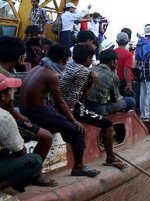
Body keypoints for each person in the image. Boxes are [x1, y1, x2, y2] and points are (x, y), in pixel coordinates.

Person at [20, 44, 100, 177]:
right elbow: (60, 102)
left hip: (30, 109)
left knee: (63, 124)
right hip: (38, 113)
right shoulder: (51, 75)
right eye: (67, 61)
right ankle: (78, 167)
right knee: (77, 131)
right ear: (62, 61)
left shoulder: (38, 68)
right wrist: (74, 121)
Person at [0, 36, 56, 187]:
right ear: (19, 57)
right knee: (46, 137)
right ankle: (35, 173)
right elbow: (9, 110)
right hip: (5, 117)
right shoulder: (6, 76)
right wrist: (23, 118)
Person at [62, 44, 127, 170]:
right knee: (107, 124)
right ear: (87, 59)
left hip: (68, 104)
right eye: (91, 58)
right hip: (71, 108)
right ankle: (110, 157)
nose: (92, 61)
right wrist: (73, 120)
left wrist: (92, 73)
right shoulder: (83, 72)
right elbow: (76, 100)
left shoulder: (70, 65)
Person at [0, 74, 44, 201]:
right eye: (9, 91)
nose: (11, 94)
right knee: (34, 161)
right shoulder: (4, 118)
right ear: (2, 96)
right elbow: (20, 151)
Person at [87, 49, 135, 116]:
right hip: (100, 109)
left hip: (85, 105)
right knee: (131, 101)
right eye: (116, 61)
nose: (117, 63)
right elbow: (115, 99)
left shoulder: (90, 70)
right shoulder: (112, 76)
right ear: (112, 62)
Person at [114, 32, 134, 99]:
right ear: (127, 41)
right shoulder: (128, 54)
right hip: (124, 81)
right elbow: (126, 69)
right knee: (128, 102)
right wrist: (128, 83)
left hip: (114, 80)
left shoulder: (113, 52)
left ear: (117, 41)